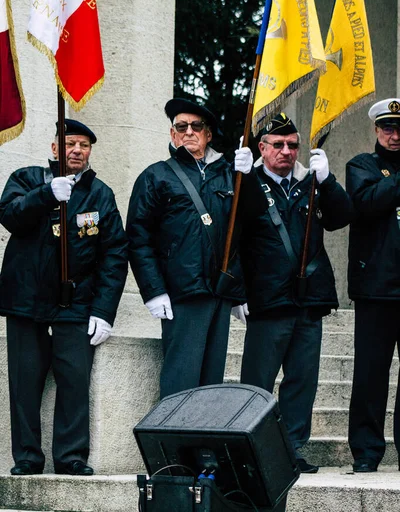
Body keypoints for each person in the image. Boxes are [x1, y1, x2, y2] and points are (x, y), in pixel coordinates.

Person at [0, 119, 128, 476]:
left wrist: (104, 310)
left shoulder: (99, 193)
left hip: (76, 304)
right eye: (70, 144)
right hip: (27, 302)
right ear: (55, 148)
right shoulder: (27, 179)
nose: (77, 151)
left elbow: (115, 252)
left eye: (84, 146)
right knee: (25, 383)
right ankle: (27, 457)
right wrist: (46, 195)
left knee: (74, 382)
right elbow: (10, 216)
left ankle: (71, 457)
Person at [240, 112, 353, 473]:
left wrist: (329, 181)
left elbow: (340, 217)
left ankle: (291, 450)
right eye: (278, 145)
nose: (286, 151)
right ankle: (253, 451)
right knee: (257, 383)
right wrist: (238, 178)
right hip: (267, 300)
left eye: (292, 145)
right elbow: (233, 234)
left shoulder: (312, 182)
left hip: (307, 301)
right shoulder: (250, 183)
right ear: (262, 148)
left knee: (301, 382)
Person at [126, 98, 254, 399]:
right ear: (172, 135)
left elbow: (242, 233)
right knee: (180, 384)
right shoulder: (156, 175)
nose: (188, 132)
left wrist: (239, 291)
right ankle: (176, 445)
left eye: (196, 126)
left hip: (220, 292)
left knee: (211, 384)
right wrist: (153, 290)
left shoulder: (228, 174)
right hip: (181, 293)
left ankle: (202, 445)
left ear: (208, 134)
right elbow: (137, 237)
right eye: (181, 126)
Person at [347, 98, 400, 472]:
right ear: (376, 131)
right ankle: (366, 452)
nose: (395, 136)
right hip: (376, 288)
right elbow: (368, 202)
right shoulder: (362, 166)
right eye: (388, 128)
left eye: (399, 130)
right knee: (370, 374)